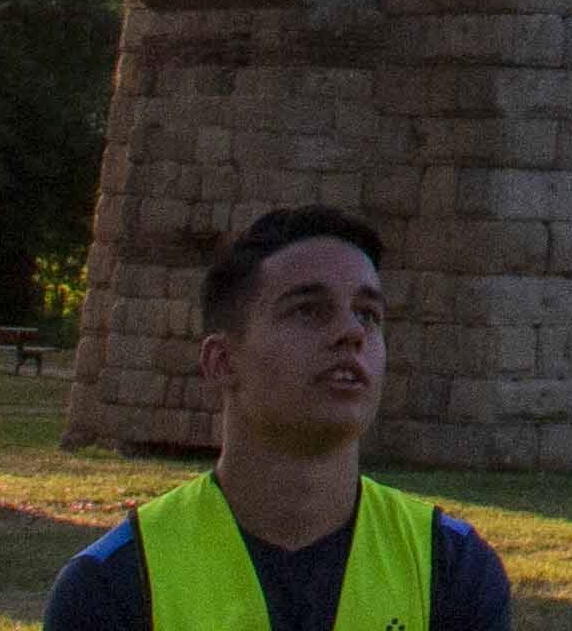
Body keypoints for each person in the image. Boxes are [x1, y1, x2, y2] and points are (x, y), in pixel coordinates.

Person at [44, 208, 513, 631]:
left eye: (368, 315)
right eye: (309, 310)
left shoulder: (449, 568)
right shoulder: (118, 583)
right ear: (222, 361)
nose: (351, 333)